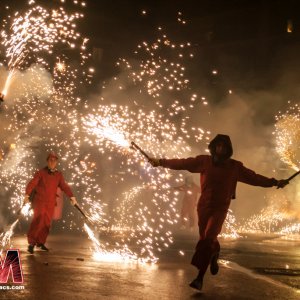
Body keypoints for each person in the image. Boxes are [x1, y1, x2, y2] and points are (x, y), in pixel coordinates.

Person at [148, 134, 289, 291]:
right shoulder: (203, 161)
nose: (220, 149)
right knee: (205, 239)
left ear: (228, 150)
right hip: (203, 207)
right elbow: (183, 163)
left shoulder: (235, 167)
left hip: (220, 209)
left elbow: (254, 178)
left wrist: (275, 182)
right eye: (218, 146)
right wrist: (160, 162)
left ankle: (200, 277)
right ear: (213, 147)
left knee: (208, 238)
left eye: (224, 147)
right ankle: (215, 252)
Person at [24, 152, 78, 254]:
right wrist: (27, 195)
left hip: (50, 203)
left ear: (57, 162)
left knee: (47, 223)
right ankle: (31, 243)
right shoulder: (40, 173)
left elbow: (64, 186)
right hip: (40, 202)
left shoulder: (58, 175)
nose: (52, 162)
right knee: (38, 221)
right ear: (47, 161)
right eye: (50, 160)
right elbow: (32, 183)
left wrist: (72, 196)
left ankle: (40, 242)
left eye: (54, 160)